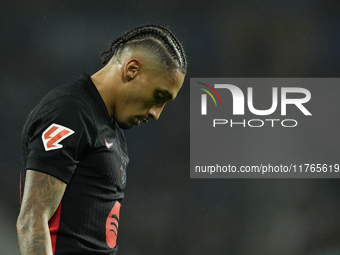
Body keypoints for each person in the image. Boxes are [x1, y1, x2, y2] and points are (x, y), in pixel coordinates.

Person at [16, 24, 187, 255]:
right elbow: (32, 219)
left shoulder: (111, 129)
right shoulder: (69, 112)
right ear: (132, 69)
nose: (156, 113)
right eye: (158, 96)